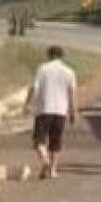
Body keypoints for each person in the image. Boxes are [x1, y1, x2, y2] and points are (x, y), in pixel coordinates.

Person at [24, 46, 78, 179]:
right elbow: (71, 93)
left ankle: (45, 161)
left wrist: (27, 103)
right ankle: (52, 170)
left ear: (49, 55)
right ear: (62, 56)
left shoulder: (42, 69)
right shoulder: (69, 71)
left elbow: (34, 87)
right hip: (61, 111)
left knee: (38, 140)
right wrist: (73, 112)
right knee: (56, 140)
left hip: (44, 109)